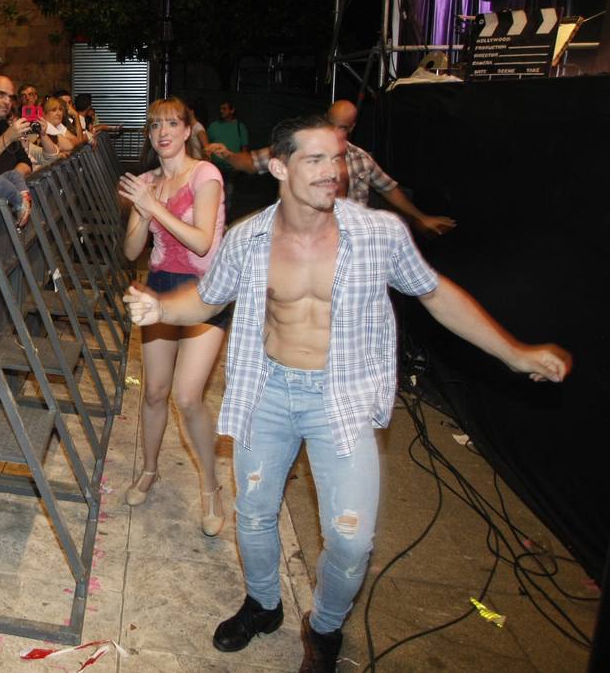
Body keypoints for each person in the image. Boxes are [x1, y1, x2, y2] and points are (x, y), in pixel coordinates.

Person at [123, 114, 571, 672]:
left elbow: (437, 295)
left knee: (352, 541)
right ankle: (263, 604)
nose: (332, 171)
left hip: (342, 398)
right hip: (269, 392)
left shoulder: (377, 233)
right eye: (315, 159)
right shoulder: (248, 238)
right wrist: (161, 307)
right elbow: (208, 298)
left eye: (336, 158)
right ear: (281, 167)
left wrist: (515, 352)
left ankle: (326, 626)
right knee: (254, 514)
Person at [116, 97, 228, 535]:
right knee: (154, 391)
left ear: (187, 129)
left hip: (206, 291)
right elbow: (129, 252)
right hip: (160, 287)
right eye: (154, 125)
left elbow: (202, 242)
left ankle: (211, 486)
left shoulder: (206, 175)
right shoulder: (146, 182)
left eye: (171, 123)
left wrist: (154, 205)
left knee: (187, 395)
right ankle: (148, 469)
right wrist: (143, 212)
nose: (162, 131)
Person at [210, 100, 457, 237]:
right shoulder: (299, 147)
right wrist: (229, 156)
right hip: (304, 237)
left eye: (344, 127)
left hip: (348, 239)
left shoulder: (360, 159)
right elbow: (252, 162)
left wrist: (420, 216)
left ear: (352, 128)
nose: (338, 132)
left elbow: (389, 189)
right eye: (334, 125)